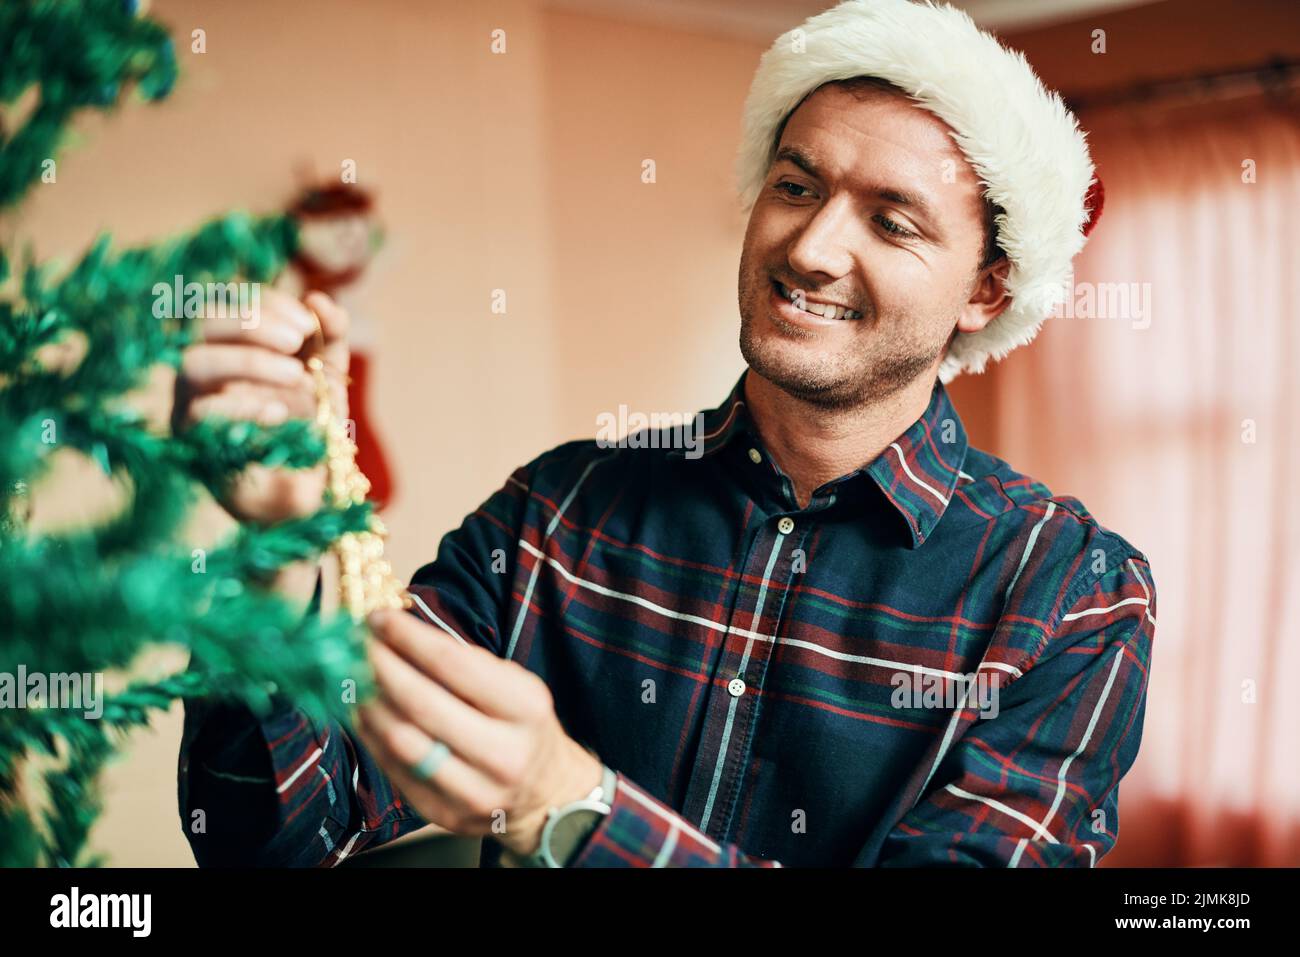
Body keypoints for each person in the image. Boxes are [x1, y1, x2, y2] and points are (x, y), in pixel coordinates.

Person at [176, 0, 1155, 868]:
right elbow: (275, 835)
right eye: (797, 186)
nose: (811, 250)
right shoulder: (555, 515)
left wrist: (572, 810)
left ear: (986, 290)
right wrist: (275, 550)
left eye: (892, 223)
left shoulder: (1068, 594)